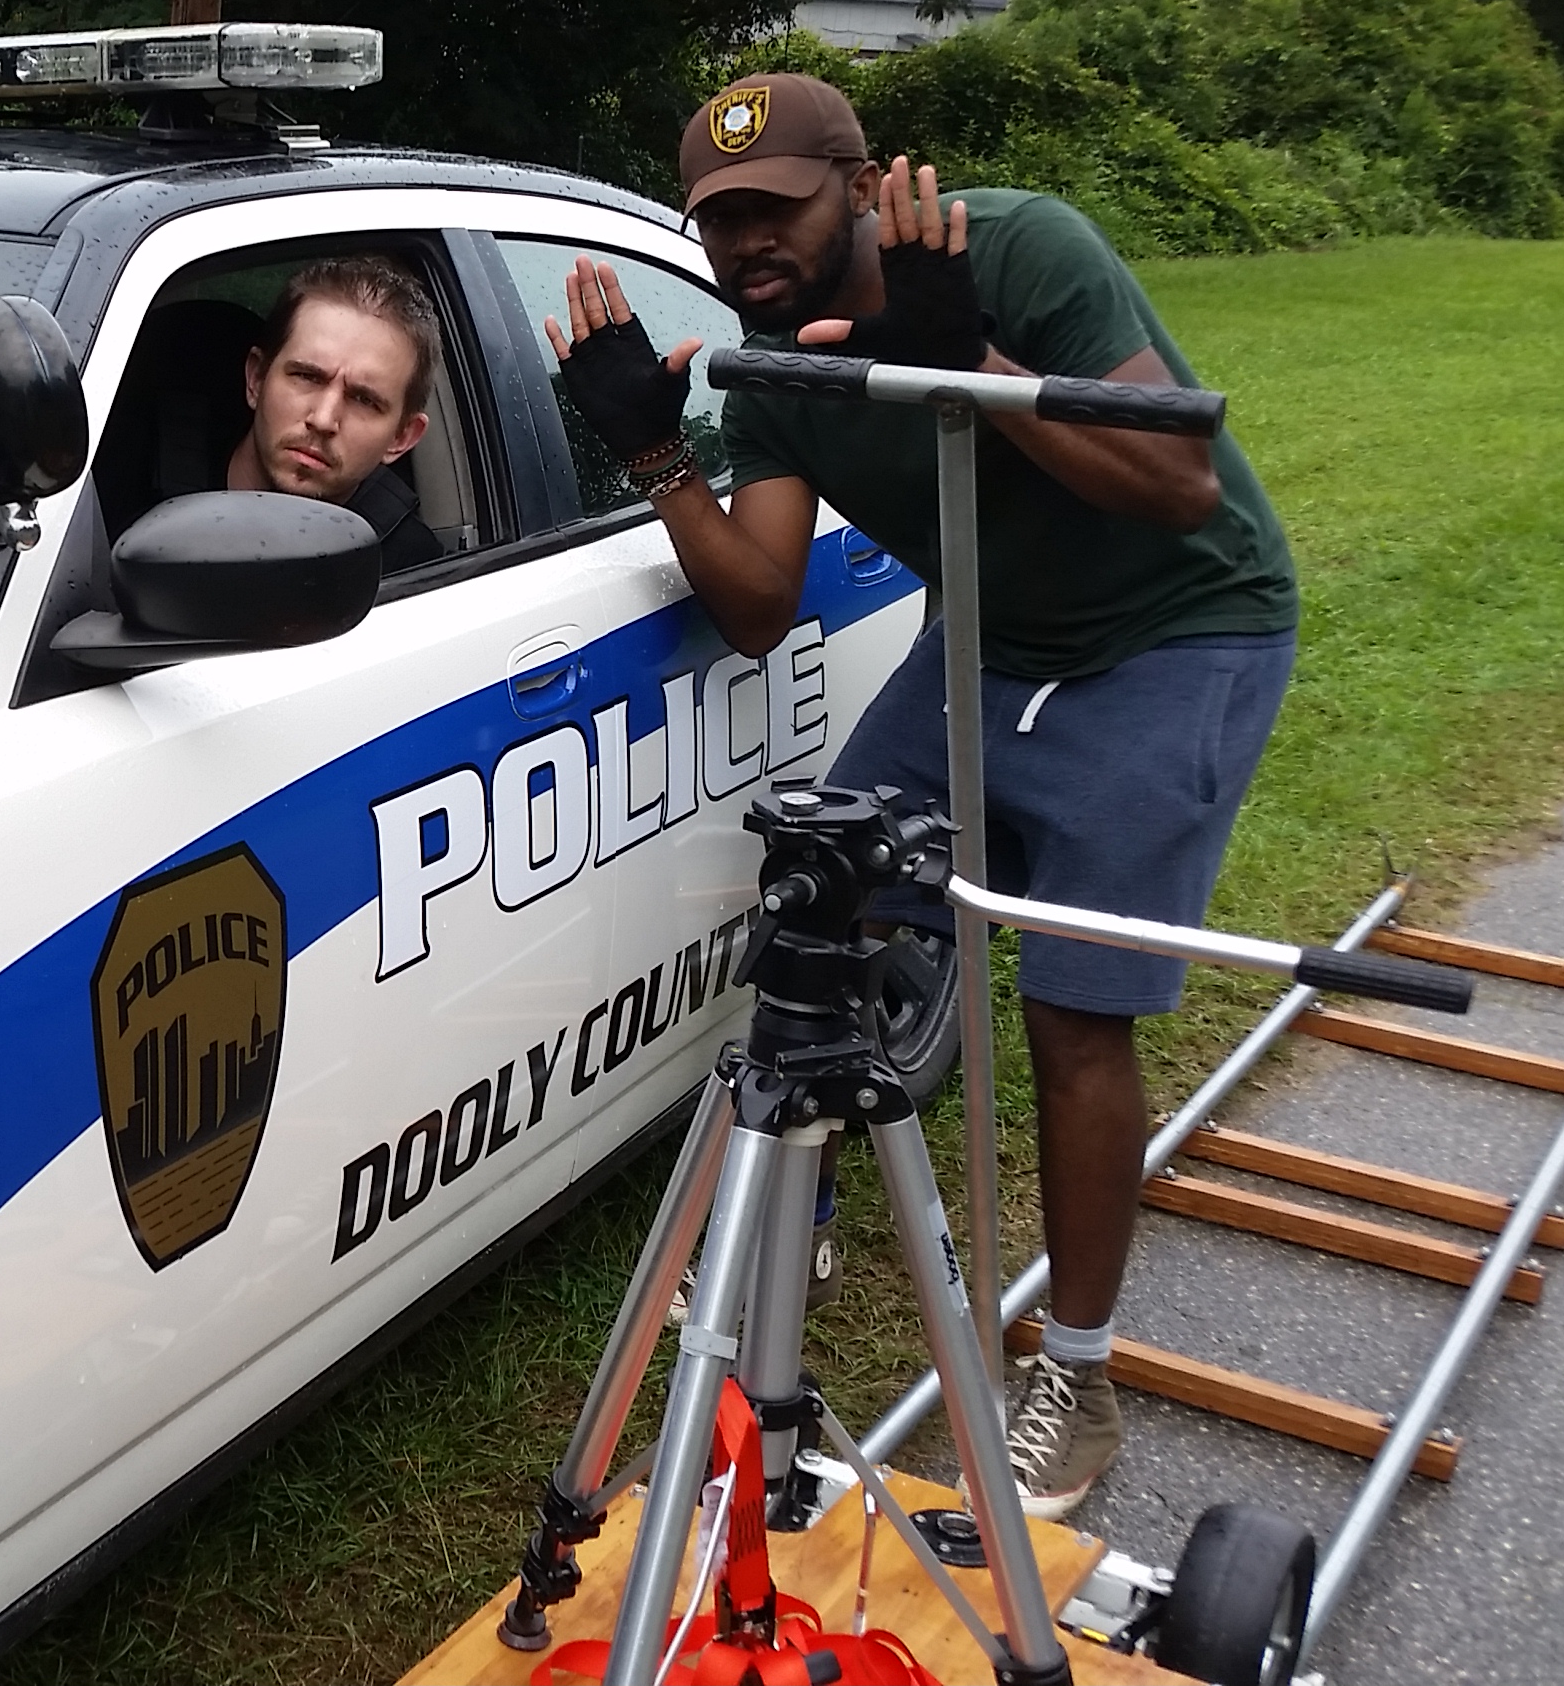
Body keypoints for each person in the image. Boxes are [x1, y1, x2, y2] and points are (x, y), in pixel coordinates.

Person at [545, 73, 1300, 1520]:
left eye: (778, 211)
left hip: (1176, 632)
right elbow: (758, 601)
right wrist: (653, 449)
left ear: (862, 183)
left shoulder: (1019, 252)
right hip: (993, 636)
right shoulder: (773, 363)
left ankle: (1074, 1380)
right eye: (720, 222)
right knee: (816, 909)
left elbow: (1180, 484)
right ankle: (783, 1274)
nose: (749, 245)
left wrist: (977, 365)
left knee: (1075, 1009)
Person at [224, 256, 449, 567]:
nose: (323, 419)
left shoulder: (411, 569)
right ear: (257, 378)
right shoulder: (140, 467)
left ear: (402, 437)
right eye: (307, 376)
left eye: (364, 400)